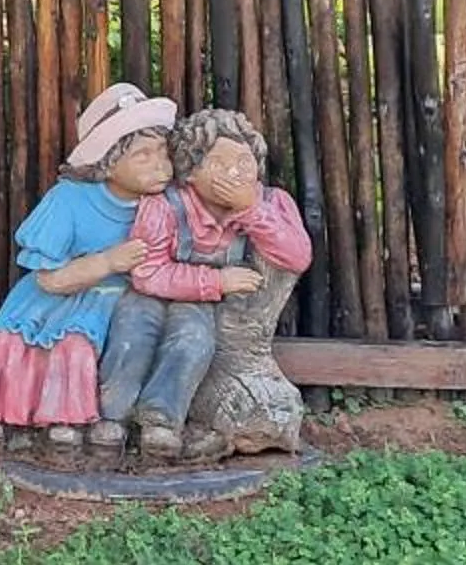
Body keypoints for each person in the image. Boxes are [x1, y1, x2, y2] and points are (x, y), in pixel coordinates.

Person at [0, 83, 178, 447]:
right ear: (107, 163)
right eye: (143, 155)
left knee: (77, 346)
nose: (160, 165)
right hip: (55, 296)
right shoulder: (69, 200)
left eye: (162, 152)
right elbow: (47, 279)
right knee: (13, 340)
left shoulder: (168, 205)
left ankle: (66, 419)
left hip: (115, 303)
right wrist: (108, 260)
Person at [95, 107, 314, 456]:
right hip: (150, 294)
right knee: (131, 334)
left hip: (200, 305)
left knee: (193, 341)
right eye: (219, 164)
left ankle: (161, 420)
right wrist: (216, 281)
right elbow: (147, 272)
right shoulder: (164, 206)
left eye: (245, 164)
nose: (234, 174)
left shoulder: (269, 204)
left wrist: (251, 211)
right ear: (190, 172)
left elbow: (297, 256)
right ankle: (109, 417)